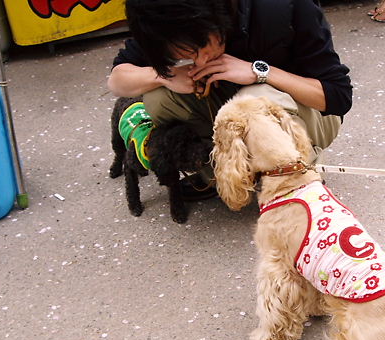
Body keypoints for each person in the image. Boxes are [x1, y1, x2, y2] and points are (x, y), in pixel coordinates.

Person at [108, 0, 353, 199]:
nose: (201, 61)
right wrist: (166, 76)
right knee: (159, 98)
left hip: (311, 115)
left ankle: (299, 180)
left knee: (253, 100)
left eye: (202, 48)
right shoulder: (162, 18)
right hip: (234, 106)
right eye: (186, 54)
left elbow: (338, 96)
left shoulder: (283, 7)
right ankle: (224, 178)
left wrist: (260, 71)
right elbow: (117, 80)